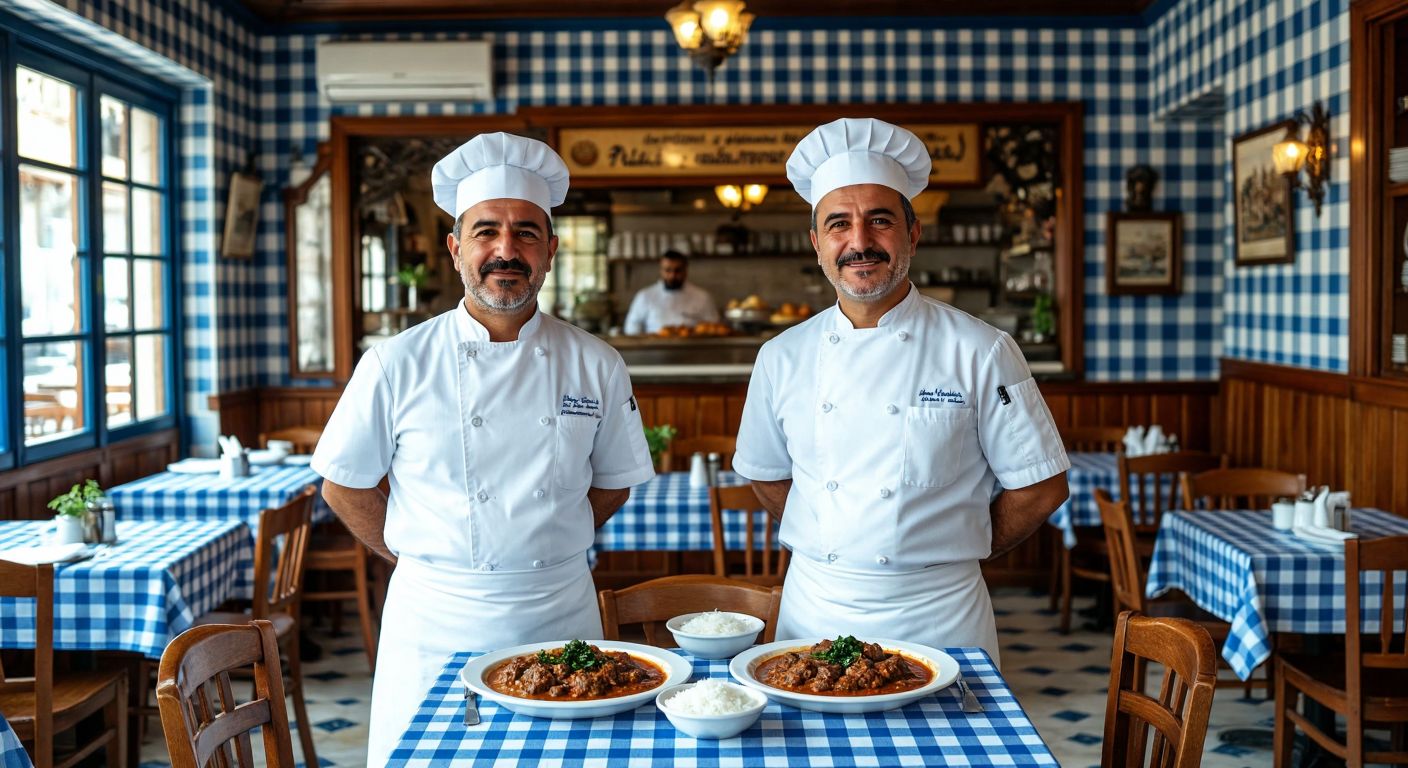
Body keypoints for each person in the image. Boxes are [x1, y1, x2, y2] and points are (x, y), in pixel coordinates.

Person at [311, 132, 655, 766]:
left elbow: (615, 480)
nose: (506, 250)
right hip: (436, 619)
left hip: (559, 614)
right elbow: (343, 485)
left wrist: (548, 538)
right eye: (486, 231)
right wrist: (424, 555)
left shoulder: (596, 363)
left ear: (550, 251)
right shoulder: (395, 362)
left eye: (526, 233)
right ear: (455, 249)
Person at [733, 118, 1070, 666]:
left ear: (913, 233)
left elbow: (1041, 486)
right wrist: (830, 538)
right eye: (838, 224)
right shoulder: (781, 355)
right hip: (814, 610)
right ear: (817, 244)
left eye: (879, 221)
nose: (859, 242)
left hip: (939, 617)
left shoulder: (981, 349)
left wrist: (958, 547)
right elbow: (766, 474)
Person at [621, 250, 721, 334]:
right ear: (661, 271)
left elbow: (714, 327)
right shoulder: (645, 296)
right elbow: (632, 328)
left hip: (693, 352)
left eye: (677, 270)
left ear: (685, 270)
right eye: (668, 270)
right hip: (654, 353)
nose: (672, 275)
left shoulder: (703, 297)